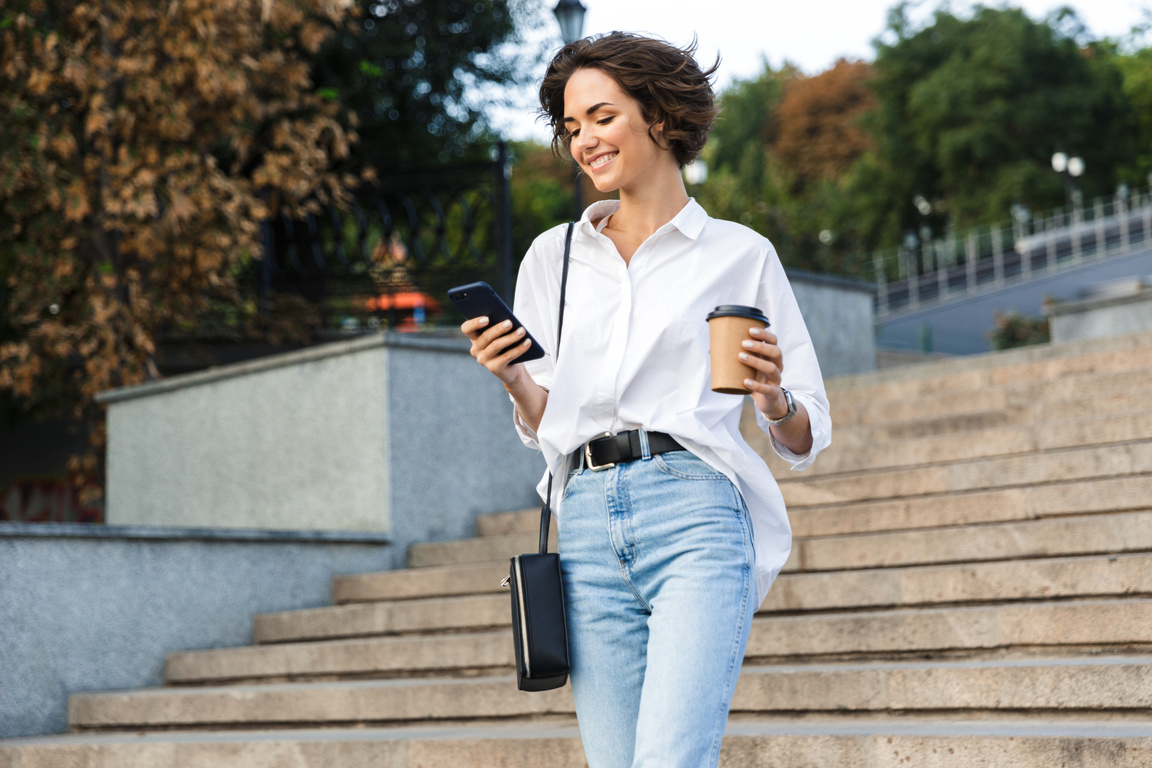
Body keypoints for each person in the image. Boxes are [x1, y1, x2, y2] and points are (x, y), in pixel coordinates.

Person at [460, 32, 831, 768]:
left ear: (659, 117)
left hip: (695, 510)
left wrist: (772, 396)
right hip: (588, 522)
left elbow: (807, 433)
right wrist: (515, 379)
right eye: (571, 128)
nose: (584, 142)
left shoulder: (739, 253)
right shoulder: (554, 256)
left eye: (601, 117)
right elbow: (550, 427)